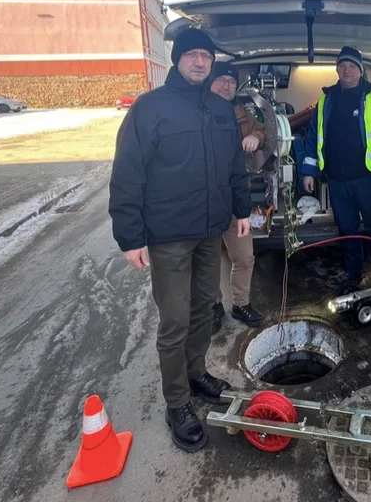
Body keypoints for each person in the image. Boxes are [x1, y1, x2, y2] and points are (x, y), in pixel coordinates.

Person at [109, 27, 251, 453]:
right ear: (177, 60)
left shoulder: (218, 107)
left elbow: (233, 165)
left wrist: (242, 209)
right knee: (174, 321)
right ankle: (177, 403)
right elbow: (128, 171)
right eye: (190, 55)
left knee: (205, 309)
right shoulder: (151, 109)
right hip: (168, 235)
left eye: (205, 56)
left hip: (210, 231)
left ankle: (196, 373)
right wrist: (130, 236)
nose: (199, 62)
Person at [300, 46, 371, 292]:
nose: (347, 70)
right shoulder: (326, 99)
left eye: (352, 65)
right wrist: (308, 171)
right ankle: (353, 272)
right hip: (337, 180)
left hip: (368, 179)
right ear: (337, 69)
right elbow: (314, 137)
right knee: (346, 229)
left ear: (360, 69)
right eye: (342, 65)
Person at [208, 61, 266, 332]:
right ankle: (213, 306)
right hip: (205, 203)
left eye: (230, 82)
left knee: (244, 257)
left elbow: (263, 129)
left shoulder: (242, 114)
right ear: (209, 82)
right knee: (207, 261)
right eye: (220, 80)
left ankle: (240, 304)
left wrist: (255, 135)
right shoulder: (198, 112)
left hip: (235, 199)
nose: (226, 85)